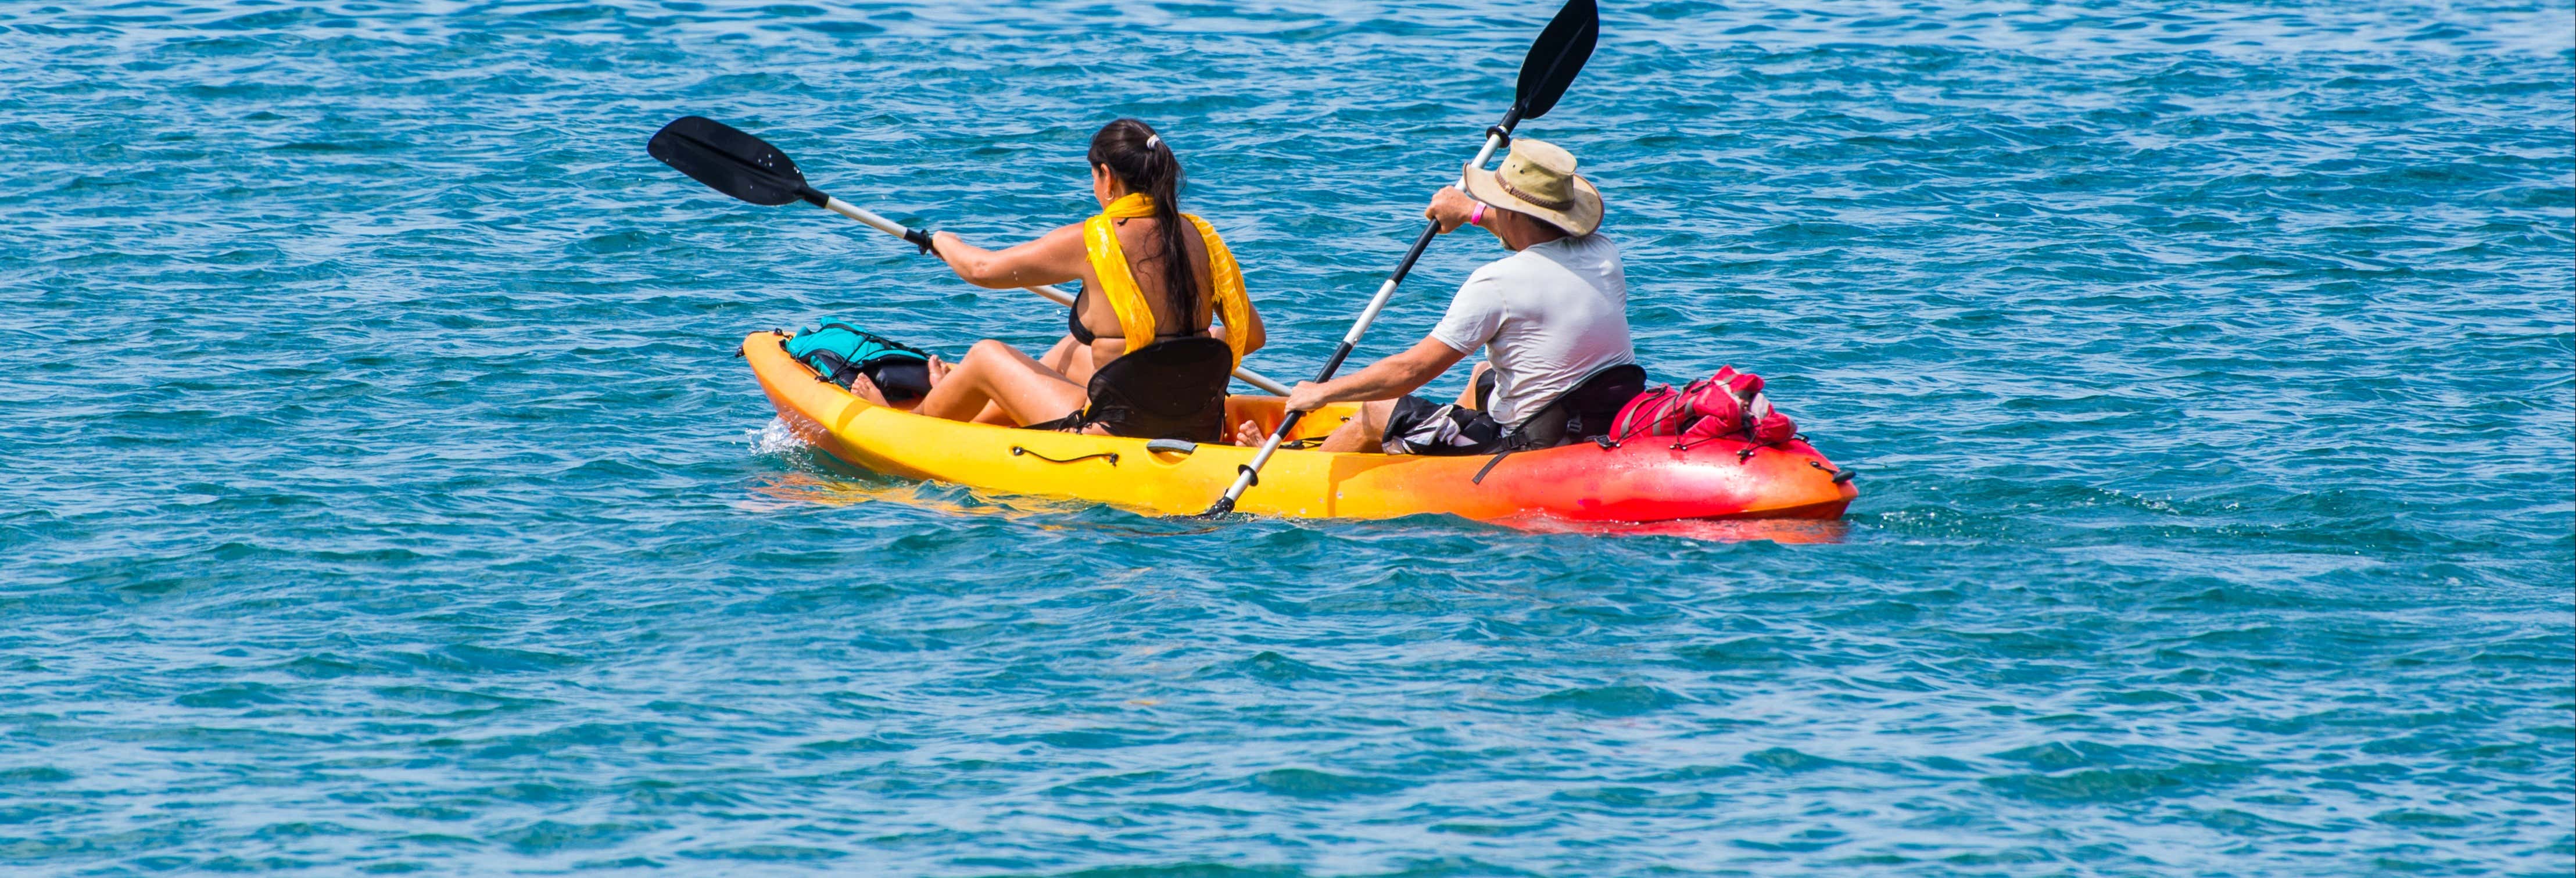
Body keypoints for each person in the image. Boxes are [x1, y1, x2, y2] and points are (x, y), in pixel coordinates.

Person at [855, 119, 1264, 440]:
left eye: (1093, 177)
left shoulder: (1094, 239)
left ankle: (912, 422)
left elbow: (980, 270)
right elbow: (1253, 336)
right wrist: (1188, 344)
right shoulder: (1201, 237)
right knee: (1070, 350)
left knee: (985, 355)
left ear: (1107, 176)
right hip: (1196, 422)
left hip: (1119, 433)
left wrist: (945, 241)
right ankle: (968, 408)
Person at [1246, 138, 1632, 454]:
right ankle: (1442, 441)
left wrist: (1323, 392)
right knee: (1484, 374)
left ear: (1511, 213)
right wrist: (1470, 212)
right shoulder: (1604, 253)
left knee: (1377, 412)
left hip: (1528, 443)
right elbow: (1529, 229)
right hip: (1589, 418)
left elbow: (1410, 372)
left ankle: (1302, 470)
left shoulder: (1496, 282)